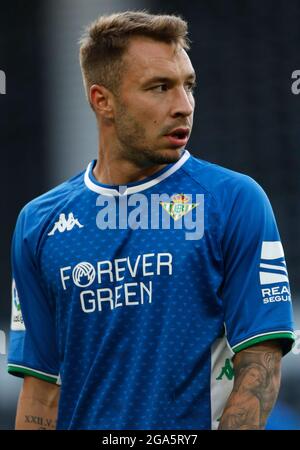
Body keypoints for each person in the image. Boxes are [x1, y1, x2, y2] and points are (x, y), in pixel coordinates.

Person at [7, 10, 295, 430]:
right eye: (160, 87)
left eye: (188, 86)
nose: (183, 106)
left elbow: (260, 366)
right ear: (101, 99)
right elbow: (41, 394)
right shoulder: (39, 224)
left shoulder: (233, 201)